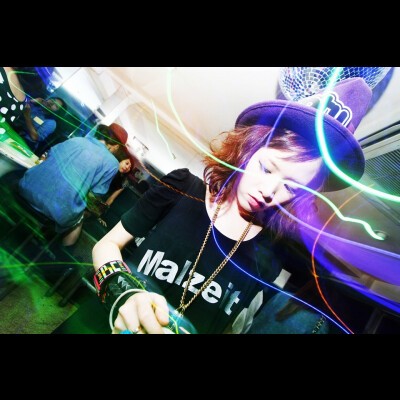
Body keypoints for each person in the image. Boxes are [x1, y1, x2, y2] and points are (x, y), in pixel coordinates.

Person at [86, 78, 371, 334]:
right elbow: (106, 245)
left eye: (291, 188)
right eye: (267, 168)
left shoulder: (273, 250)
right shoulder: (181, 186)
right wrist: (124, 293)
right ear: (248, 149)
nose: (268, 191)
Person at [18, 123, 130, 247]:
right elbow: (95, 194)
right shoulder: (112, 163)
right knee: (79, 219)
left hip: (25, 187)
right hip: (52, 211)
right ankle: (60, 252)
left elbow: (48, 156)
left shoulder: (77, 140)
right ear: (115, 146)